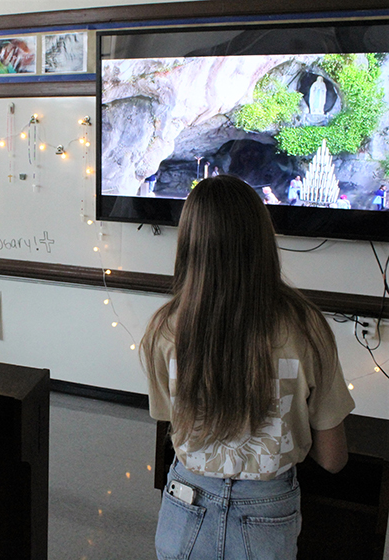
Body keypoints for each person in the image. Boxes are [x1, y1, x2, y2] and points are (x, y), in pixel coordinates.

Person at [140, 176, 354, 560]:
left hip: (184, 505)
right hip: (269, 513)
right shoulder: (307, 328)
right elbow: (333, 458)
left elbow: (172, 423)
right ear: (262, 239)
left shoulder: (164, 329)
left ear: (188, 245)